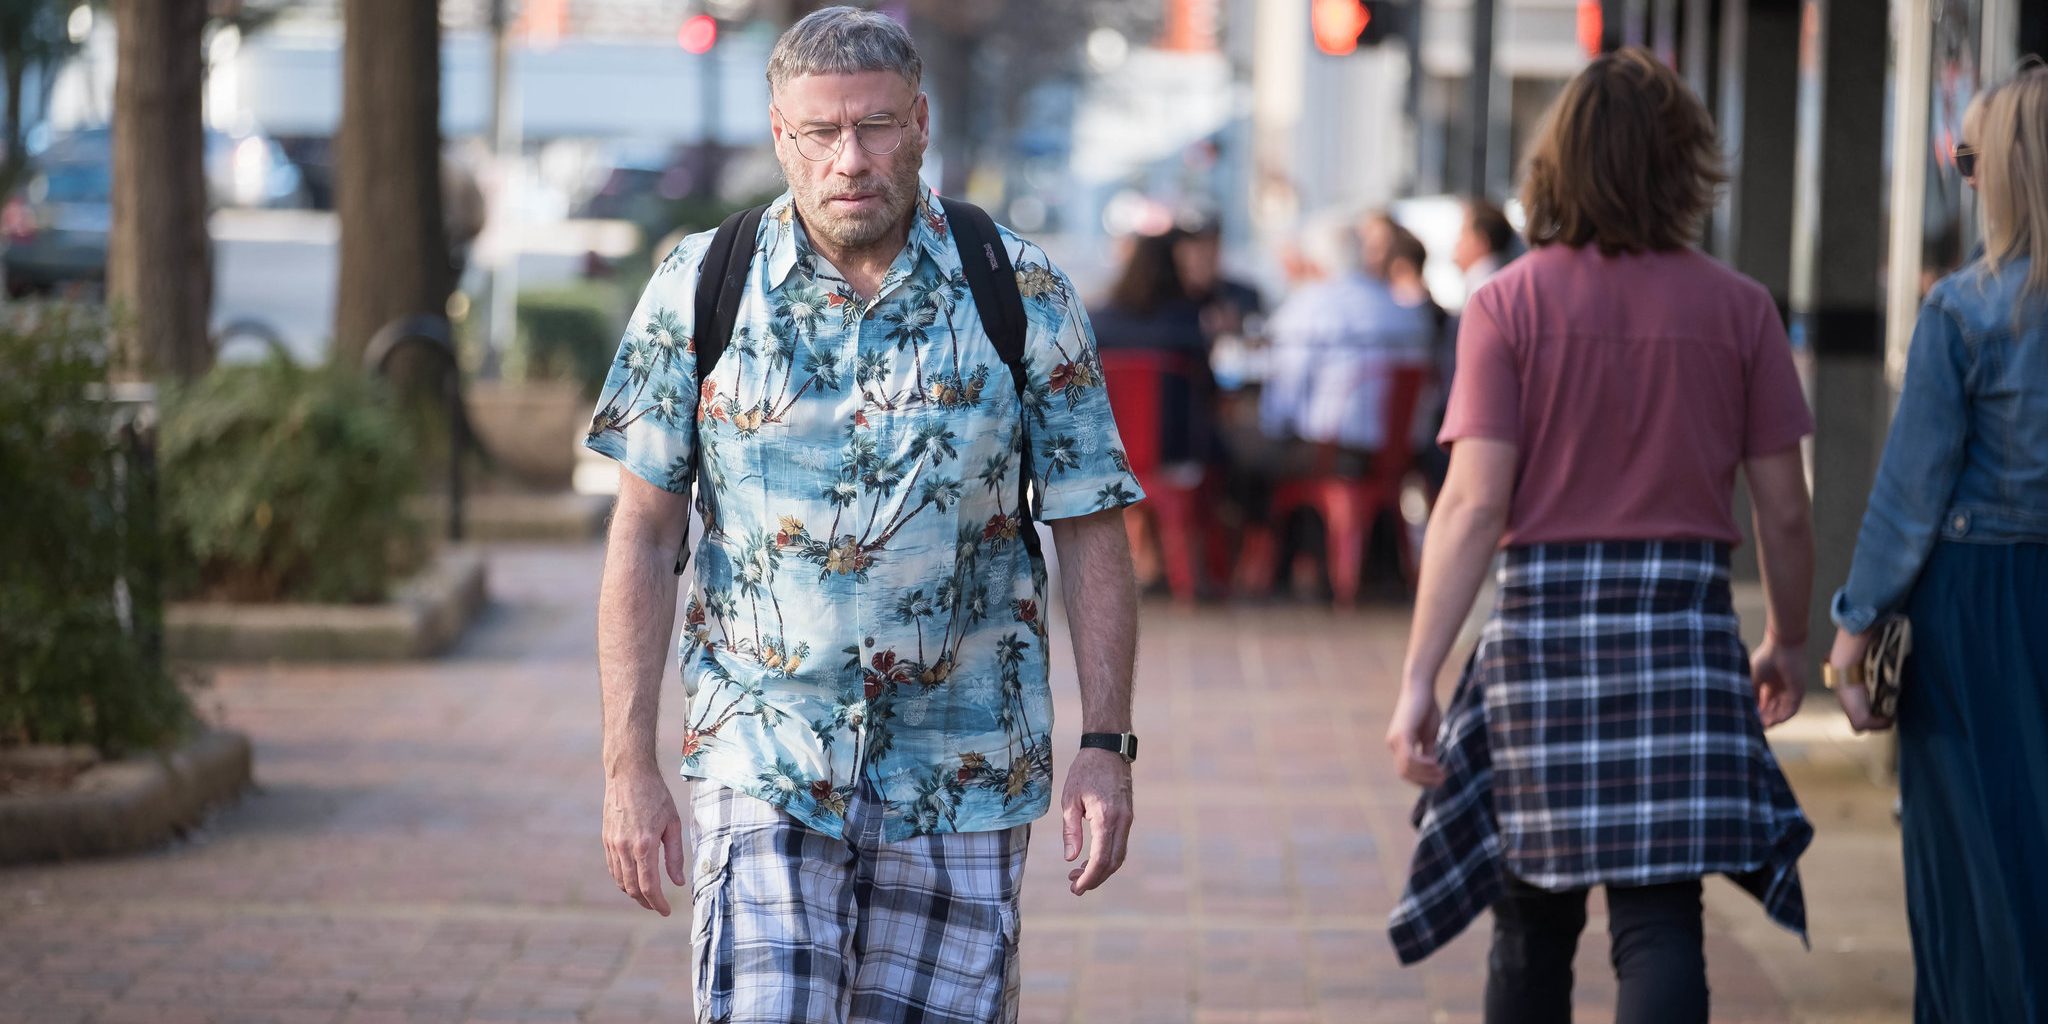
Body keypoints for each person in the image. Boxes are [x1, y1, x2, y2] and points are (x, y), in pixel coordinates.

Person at [586, 9, 1145, 1023]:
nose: (850, 159)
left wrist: (1106, 743)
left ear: (919, 124)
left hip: (964, 768)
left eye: (876, 126)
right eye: (821, 131)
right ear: (780, 135)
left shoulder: (1017, 287)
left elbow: (1090, 520)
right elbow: (645, 532)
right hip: (763, 754)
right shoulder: (700, 285)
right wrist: (628, 764)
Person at [1385, 48, 1816, 1024]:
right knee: (1660, 919)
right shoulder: (1740, 308)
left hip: (1541, 640)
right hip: (1682, 638)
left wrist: (1420, 674)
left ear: (1557, 165)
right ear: (1685, 165)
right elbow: (1784, 509)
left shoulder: (1505, 305)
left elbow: (1471, 505)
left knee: (1531, 922)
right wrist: (1788, 639)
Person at [1825, 69, 2048, 1024]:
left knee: (1973, 862)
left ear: (2007, 170)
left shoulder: (1967, 310)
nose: (1965, 177)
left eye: (1968, 158)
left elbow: (1908, 495)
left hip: (1980, 609)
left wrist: (1851, 635)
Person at [1452, 197, 1515, 302]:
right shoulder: (1503, 282)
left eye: (1463, 234)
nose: (1457, 243)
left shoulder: (1482, 291)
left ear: (1482, 242)